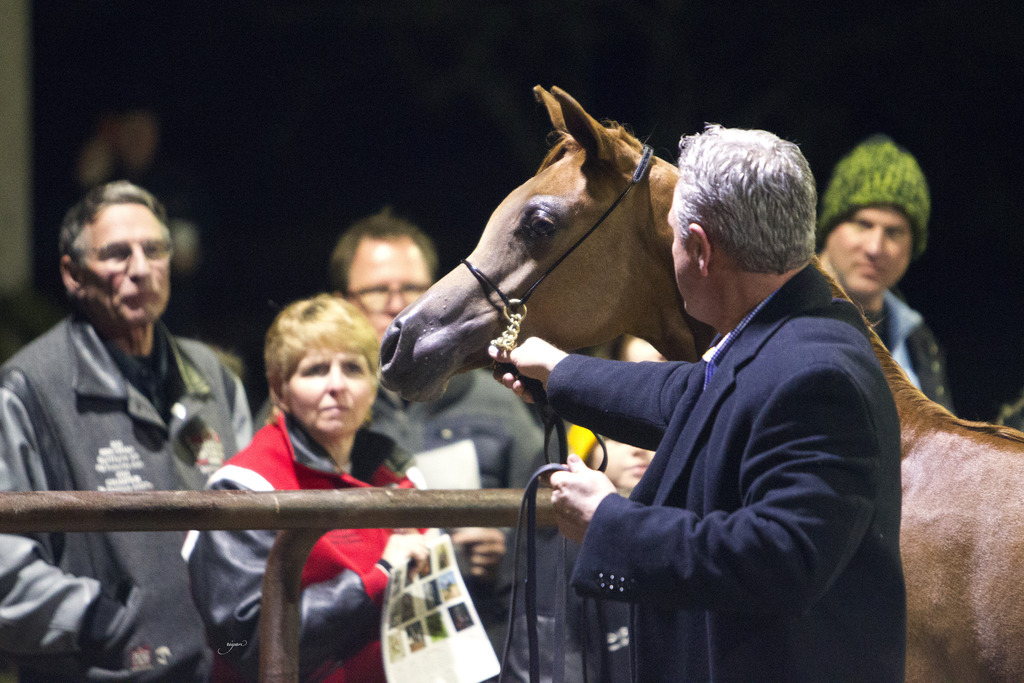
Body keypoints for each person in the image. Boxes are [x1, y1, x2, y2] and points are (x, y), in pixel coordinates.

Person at [492, 125, 905, 681]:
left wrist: (608, 522)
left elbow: (780, 558)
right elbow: (687, 394)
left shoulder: (817, 377)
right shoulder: (788, 333)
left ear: (701, 249)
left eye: (671, 236)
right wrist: (559, 372)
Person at [0, 180, 253, 681]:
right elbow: (5, 567)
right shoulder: (28, 389)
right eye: (117, 254)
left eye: (154, 250)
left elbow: (258, 525)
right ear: (73, 274)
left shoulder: (213, 377)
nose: (141, 268)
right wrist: (105, 623)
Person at [329, 208, 546, 654]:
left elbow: (549, 526)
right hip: (357, 650)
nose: (397, 304)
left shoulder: (500, 402)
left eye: (413, 289)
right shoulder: (322, 411)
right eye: (377, 291)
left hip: (484, 642)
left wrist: (506, 550)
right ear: (342, 303)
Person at [185, 294, 431, 682]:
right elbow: (244, 644)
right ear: (280, 390)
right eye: (315, 370)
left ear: (373, 386)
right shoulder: (243, 485)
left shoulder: (400, 472)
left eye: (353, 368)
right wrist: (378, 578)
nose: (337, 385)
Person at [505, 335, 659, 683]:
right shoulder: (564, 541)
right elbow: (550, 655)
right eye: (618, 439)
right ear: (585, 457)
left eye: (645, 439)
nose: (637, 450)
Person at [816, 135, 954, 411]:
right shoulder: (778, 314)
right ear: (830, 226)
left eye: (893, 232)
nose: (875, 248)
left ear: (912, 246)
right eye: (863, 224)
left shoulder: (917, 341)